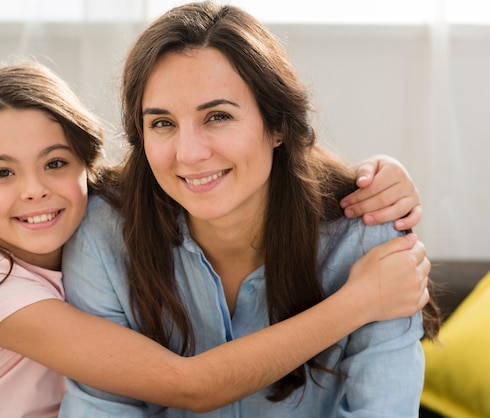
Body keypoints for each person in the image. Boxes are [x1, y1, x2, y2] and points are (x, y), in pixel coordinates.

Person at [0, 61, 426, 417]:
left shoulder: (90, 219)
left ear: (85, 167)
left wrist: (379, 174)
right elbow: (190, 386)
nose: (34, 191)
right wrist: (357, 302)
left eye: (54, 163)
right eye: (1, 173)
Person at [60, 2, 440, 417]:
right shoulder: (101, 235)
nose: (188, 154)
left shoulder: (367, 237)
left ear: (277, 125)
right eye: (162, 123)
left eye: (218, 116)